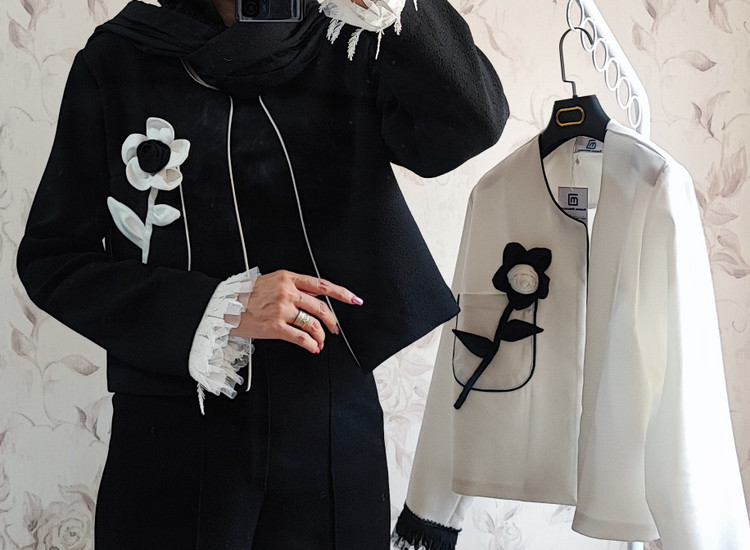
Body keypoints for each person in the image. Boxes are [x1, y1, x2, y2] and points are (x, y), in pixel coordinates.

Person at [16, 0, 508, 547]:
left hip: (329, 424)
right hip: (173, 424)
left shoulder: (348, 39)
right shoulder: (119, 59)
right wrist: (215, 308)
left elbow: (469, 125)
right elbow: (52, 257)